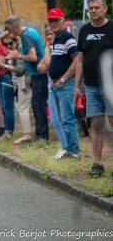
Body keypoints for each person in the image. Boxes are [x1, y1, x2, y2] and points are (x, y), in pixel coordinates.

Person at [74, 0, 113, 178]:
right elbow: (80, 60)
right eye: (91, 8)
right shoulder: (84, 30)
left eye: (97, 7)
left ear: (105, 8)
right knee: (96, 124)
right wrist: (76, 85)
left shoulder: (112, 27)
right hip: (90, 86)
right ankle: (97, 164)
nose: (94, 11)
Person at [38, 9, 80, 159]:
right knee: (61, 119)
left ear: (63, 20)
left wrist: (63, 79)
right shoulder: (56, 39)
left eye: (56, 20)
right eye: (50, 21)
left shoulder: (68, 38)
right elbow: (43, 66)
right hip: (56, 85)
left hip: (65, 85)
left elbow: (77, 60)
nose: (53, 23)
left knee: (68, 118)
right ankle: (67, 149)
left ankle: (73, 152)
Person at [5, 16, 48, 141]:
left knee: (38, 106)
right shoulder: (30, 31)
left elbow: (33, 57)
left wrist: (18, 56)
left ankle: (42, 137)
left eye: (9, 29)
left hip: (37, 74)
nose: (9, 33)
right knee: (37, 105)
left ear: (14, 26)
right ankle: (40, 135)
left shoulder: (25, 35)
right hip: (38, 73)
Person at [0, 33, 32, 145]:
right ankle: (25, 134)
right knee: (19, 107)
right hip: (17, 83)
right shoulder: (12, 52)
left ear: (15, 40)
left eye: (10, 42)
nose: (8, 45)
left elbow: (20, 70)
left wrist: (5, 66)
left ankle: (27, 135)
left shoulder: (20, 51)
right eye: (5, 44)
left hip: (24, 82)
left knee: (22, 108)